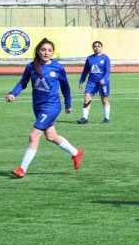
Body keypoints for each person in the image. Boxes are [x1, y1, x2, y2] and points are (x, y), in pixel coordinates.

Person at [6, 38, 84, 178]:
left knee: (34, 136)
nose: (46, 52)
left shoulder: (58, 68)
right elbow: (22, 83)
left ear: (53, 52)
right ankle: (76, 152)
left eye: (49, 50)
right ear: (38, 51)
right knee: (51, 136)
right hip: (37, 106)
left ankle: (22, 169)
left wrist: (68, 104)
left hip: (52, 106)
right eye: (43, 50)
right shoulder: (31, 67)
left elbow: (65, 87)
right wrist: (13, 93)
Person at [78, 41, 112, 124]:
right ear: (93, 48)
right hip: (91, 82)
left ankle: (106, 118)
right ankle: (84, 118)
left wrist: (104, 79)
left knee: (104, 99)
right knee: (86, 98)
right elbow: (85, 70)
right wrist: (81, 80)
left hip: (102, 82)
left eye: (98, 46)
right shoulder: (89, 58)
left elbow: (108, 70)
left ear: (101, 47)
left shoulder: (105, 58)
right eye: (95, 46)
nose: (97, 48)